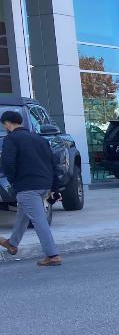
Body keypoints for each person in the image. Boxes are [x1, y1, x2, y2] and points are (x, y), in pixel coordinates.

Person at [0, 110, 62, 266]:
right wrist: (55, 187)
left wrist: (14, 181)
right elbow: (53, 164)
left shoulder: (11, 139)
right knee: (23, 214)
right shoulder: (39, 139)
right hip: (44, 185)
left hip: (27, 186)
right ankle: (12, 244)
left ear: (7, 124)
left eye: (4, 125)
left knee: (39, 221)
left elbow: (8, 163)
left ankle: (52, 255)